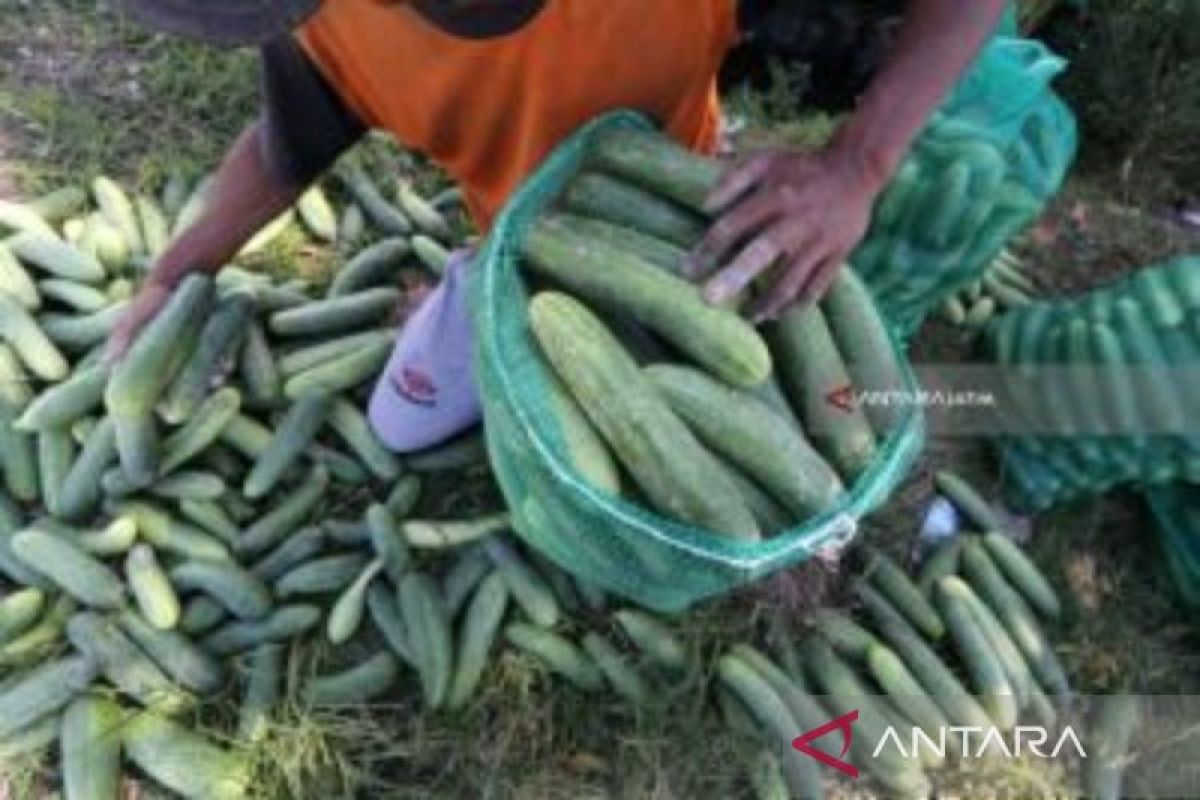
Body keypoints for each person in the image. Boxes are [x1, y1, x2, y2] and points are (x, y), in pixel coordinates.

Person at [109, 0, 1006, 453]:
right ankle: (493, 279)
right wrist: (175, 271)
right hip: (515, 241)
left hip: (681, 226)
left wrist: (858, 165)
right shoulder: (334, 23)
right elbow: (282, 147)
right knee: (399, 432)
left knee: (758, 434)